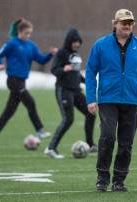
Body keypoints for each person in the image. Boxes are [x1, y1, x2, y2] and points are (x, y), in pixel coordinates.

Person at [85, 9, 137, 192]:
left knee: (126, 144)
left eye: (130, 22)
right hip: (107, 100)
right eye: (123, 22)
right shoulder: (101, 45)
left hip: (131, 101)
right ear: (115, 23)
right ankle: (102, 178)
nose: (126, 25)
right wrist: (90, 98)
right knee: (108, 137)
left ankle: (119, 180)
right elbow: (90, 72)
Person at [0, 18, 57, 149]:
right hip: (13, 80)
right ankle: (40, 130)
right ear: (19, 31)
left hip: (22, 81)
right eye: (26, 33)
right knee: (30, 102)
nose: (28, 36)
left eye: (30, 33)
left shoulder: (31, 46)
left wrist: (50, 54)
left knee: (10, 110)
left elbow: (41, 60)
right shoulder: (12, 44)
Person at [44, 28, 97, 159]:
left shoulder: (77, 55)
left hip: (76, 90)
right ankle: (51, 148)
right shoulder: (61, 53)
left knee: (91, 113)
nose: (77, 44)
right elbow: (54, 70)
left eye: (78, 42)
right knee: (68, 119)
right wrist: (64, 69)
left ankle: (90, 144)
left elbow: (77, 73)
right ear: (69, 41)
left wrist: (88, 82)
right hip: (64, 90)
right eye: (74, 42)